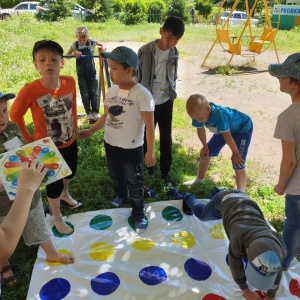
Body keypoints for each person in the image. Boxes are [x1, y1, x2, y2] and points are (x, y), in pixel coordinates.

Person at [78, 46, 156, 234]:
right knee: (115, 174)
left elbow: (150, 125)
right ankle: (121, 193)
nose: (110, 72)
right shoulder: (112, 91)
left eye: (114, 68)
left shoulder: (142, 95)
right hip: (111, 144)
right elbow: (106, 116)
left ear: (129, 70)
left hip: (131, 149)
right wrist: (91, 130)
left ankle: (138, 212)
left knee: (134, 181)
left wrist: (150, 151)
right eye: (109, 67)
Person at [0, 92, 74, 287]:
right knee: (3, 240)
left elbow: (24, 153)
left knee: (38, 225)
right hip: (2, 206)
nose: (2, 118)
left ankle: (52, 253)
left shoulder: (12, 127)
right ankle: (2, 263)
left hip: (29, 196)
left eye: (4, 111)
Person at [9, 40, 81, 235]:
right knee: (53, 183)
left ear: (62, 62)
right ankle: (56, 216)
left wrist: (75, 127)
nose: (48, 63)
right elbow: (15, 115)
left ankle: (65, 194)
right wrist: (29, 140)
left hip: (70, 139)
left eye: (53, 59)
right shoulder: (30, 91)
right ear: (36, 64)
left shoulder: (69, 82)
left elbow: (72, 106)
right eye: (43, 60)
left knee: (70, 172)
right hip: (47, 148)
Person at [182, 189, 287, 300]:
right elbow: (235, 265)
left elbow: (277, 271)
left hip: (243, 198)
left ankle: (218, 191)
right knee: (201, 214)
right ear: (246, 250)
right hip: (223, 200)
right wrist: (246, 291)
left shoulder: (279, 248)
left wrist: (271, 296)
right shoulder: (238, 239)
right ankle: (187, 196)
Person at [135, 16, 185, 187]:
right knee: (145, 135)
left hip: (165, 102)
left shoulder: (174, 52)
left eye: (176, 40)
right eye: (169, 38)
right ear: (161, 31)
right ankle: (148, 166)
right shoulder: (145, 50)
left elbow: (172, 75)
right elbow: (137, 76)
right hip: (147, 102)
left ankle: (165, 172)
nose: (171, 43)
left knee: (166, 138)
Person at [269, 52, 300, 271]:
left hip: (297, 188)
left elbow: (289, 161)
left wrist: (281, 186)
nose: (279, 79)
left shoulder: (288, 117)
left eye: (283, 76)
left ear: (296, 84)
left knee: (293, 226)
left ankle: (284, 264)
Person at [183, 94, 253, 192]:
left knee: (238, 161)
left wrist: (236, 153)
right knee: (206, 153)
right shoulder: (198, 115)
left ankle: (241, 193)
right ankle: (199, 180)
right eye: (195, 119)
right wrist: (205, 146)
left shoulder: (219, 115)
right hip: (223, 130)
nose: (198, 121)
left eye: (200, 118)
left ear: (208, 109)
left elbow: (228, 137)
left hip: (242, 129)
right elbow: (200, 130)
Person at [66, 26, 105, 122]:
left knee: (94, 92)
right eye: (79, 36)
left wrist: (103, 49)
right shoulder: (75, 45)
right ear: (77, 36)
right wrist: (74, 54)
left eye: (83, 36)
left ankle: (95, 112)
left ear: (87, 36)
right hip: (81, 72)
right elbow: (67, 56)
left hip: (92, 71)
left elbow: (102, 44)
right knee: (85, 93)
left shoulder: (91, 42)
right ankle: (88, 113)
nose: (81, 38)